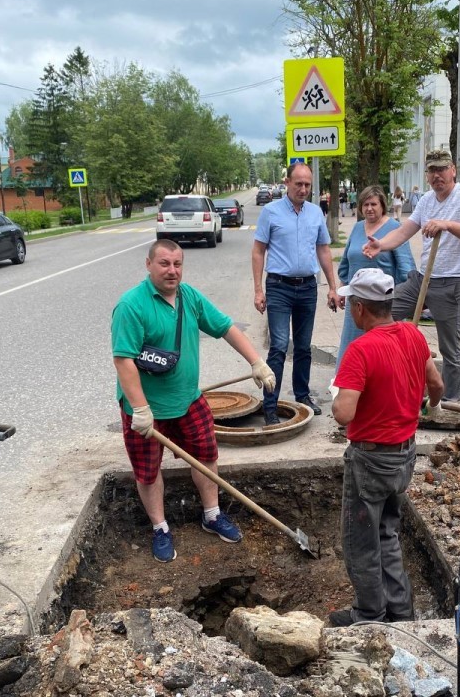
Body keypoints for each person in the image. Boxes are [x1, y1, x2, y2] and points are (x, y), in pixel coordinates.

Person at [113, 239, 276, 563]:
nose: (172, 271)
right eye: (164, 264)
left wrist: (256, 361)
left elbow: (226, 327)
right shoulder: (131, 305)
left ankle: (212, 514)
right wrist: (140, 409)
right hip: (146, 410)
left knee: (205, 456)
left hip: (188, 400)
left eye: (177, 264)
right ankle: (160, 528)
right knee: (147, 471)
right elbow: (124, 361)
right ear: (149, 265)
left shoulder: (190, 298)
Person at [329, 269, 444, 627]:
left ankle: (369, 613)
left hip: (371, 459)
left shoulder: (360, 350)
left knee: (361, 541)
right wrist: (426, 407)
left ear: (361, 309)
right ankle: (401, 610)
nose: (349, 309)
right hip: (405, 453)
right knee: (387, 532)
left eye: (351, 304)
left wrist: (338, 400)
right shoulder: (412, 333)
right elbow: (437, 385)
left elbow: (344, 414)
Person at [362, 150, 460, 403]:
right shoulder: (427, 200)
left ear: (452, 170)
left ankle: (450, 402)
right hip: (421, 280)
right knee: (381, 314)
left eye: (441, 169)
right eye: (432, 170)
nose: (436, 175)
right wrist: (382, 245)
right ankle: (395, 374)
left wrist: (448, 224)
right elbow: (404, 231)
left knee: (449, 348)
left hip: (451, 283)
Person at [252, 162, 339, 425]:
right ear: (287, 183)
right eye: (298, 183)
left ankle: (302, 396)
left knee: (303, 347)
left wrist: (333, 287)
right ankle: (270, 405)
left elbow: (323, 249)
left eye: (307, 185)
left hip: (308, 287)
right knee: (278, 346)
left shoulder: (315, 213)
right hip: (279, 287)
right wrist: (258, 289)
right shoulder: (271, 212)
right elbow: (258, 251)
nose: (303, 189)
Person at [336, 185, 415, 367]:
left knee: (382, 352)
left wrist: (400, 302)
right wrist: (341, 290)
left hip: (382, 305)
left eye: (373, 204)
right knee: (353, 348)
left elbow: (405, 269)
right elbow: (347, 264)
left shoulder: (394, 228)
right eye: (365, 205)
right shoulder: (357, 228)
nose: (369, 208)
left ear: (382, 206)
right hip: (356, 304)